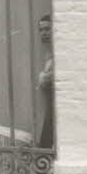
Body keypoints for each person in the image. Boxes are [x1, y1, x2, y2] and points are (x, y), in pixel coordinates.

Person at [37, 14, 55, 148]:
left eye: (47, 29)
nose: (44, 33)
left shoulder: (57, 51)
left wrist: (44, 77)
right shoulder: (48, 52)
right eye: (41, 30)